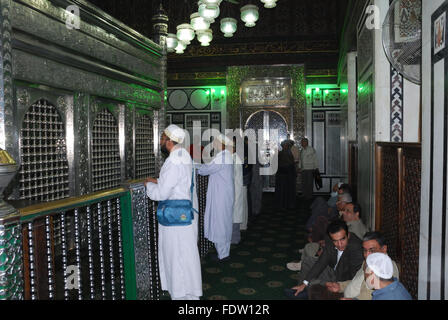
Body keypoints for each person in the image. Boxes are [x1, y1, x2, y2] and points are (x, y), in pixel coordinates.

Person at [145, 124, 202, 300]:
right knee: (186, 257)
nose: (161, 142)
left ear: (169, 141)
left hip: (175, 220)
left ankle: (180, 295)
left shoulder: (172, 160)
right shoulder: (184, 155)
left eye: (162, 138)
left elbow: (162, 193)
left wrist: (149, 186)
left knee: (176, 258)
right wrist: (158, 180)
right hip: (186, 216)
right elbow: (178, 182)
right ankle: (189, 295)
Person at [285, 220, 363, 300]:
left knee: (314, 282)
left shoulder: (356, 248)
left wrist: (339, 287)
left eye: (342, 239)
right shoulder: (329, 239)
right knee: (308, 261)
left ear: (348, 235)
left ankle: (308, 291)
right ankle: (301, 289)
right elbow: (321, 262)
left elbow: (354, 278)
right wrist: (304, 283)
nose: (339, 244)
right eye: (335, 241)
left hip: (343, 281)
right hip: (333, 271)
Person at [325, 231, 400, 300]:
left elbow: (377, 295)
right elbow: (359, 282)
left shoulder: (386, 269)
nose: (367, 255)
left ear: (384, 249)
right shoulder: (367, 262)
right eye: (365, 250)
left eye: (372, 250)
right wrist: (340, 286)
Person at [197, 134, 234, 261]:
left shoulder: (222, 157)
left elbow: (205, 170)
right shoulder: (225, 156)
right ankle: (224, 252)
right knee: (223, 222)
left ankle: (223, 254)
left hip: (220, 195)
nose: (214, 144)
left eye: (216, 142)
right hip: (223, 194)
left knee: (220, 223)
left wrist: (194, 166)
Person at [231, 138, 247, 244]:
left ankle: (235, 238)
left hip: (236, 190)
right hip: (236, 189)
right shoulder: (233, 158)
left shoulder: (234, 158)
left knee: (235, 215)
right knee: (235, 215)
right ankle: (235, 237)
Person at [275, 140, 297, 209]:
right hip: (286, 176)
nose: (285, 146)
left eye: (286, 145)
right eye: (284, 145)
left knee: (284, 191)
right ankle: (287, 204)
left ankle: (282, 204)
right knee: (287, 191)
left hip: (285, 176)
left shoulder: (283, 154)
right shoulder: (286, 154)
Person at [299, 138, 319, 202]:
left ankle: (309, 196)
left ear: (306, 143)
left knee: (309, 183)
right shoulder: (302, 150)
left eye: (303, 142)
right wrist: (299, 167)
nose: (302, 143)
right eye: (301, 142)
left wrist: (316, 168)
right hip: (303, 169)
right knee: (304, 183)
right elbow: (300, 160)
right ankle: (304, 194)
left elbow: (315, 159)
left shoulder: (311, 149)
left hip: (310, 169)